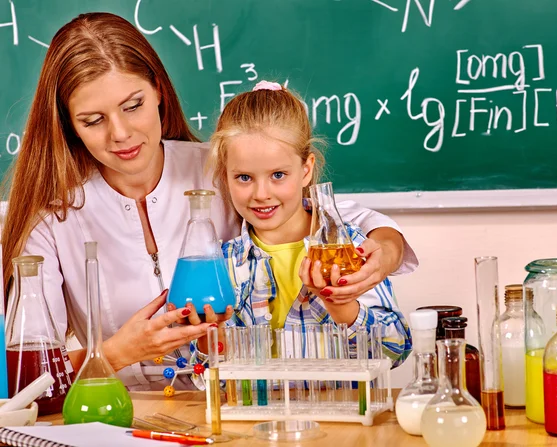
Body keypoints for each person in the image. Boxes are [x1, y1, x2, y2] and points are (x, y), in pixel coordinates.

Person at [1, 13, 416, 390]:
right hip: (121, 411)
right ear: (68, 124)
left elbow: (334, 218)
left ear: (159, 91)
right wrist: (116, 352)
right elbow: (26, 376)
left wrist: (385, 250)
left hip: (228, 409)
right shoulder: (53, 220)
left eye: (134, 106)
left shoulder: (223, 167)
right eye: (93, 120)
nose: (121, 133)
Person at [207, 81, 416, 366]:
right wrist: (207, 336)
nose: (261, 194)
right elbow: (208, 371)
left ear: (306, 170)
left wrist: (342, 307)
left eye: (278, 175)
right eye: (244, 177)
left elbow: (396, 350)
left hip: (338, 410)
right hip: (254, 412)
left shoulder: (349, 250)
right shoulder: (223, 264)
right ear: (225, 175)